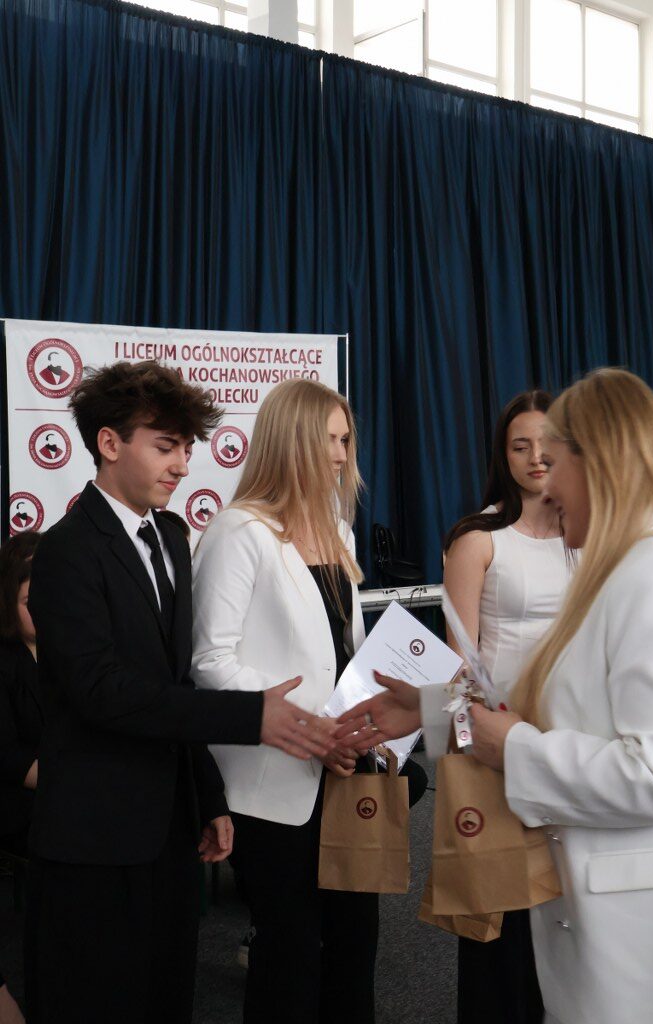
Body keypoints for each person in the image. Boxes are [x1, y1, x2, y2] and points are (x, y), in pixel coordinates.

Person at [337, 368, 653, 1024]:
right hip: (596, 893)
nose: (546, 483)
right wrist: (433, 711)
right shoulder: (626, 564)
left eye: (557, 460)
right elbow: (562, 702)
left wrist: (516, 748)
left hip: (637, 920)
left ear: (598, 461)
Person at [24, 361, 335, 1024]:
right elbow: (102, 691)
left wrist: (209, 799)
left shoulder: (171, 535)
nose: (183, 466)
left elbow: (176, 681)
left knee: (167, 996)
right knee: (95, 1002)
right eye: (166, 446)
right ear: (110, 443)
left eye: (188, 448)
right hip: (95, 834)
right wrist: (250, 714)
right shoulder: (66, 550)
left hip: (171, 829)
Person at [192, 379, 403, 1024]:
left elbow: (343, 652)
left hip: (345, 766)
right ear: (293, 442)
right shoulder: (239, 531)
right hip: (271, 780)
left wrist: (371, 723)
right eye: (331, 439)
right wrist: (308, 728)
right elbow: (209, 660)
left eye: (346, 439)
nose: (342, 454)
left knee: (354, 943)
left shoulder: (337, 528)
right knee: (288, 952)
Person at [442, 390, 572, 1024]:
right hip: (497, 745)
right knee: (502, 918)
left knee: (568, 912)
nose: (535, 456)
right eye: (520, 446)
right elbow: (457, 665)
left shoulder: (591, 533)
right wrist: (474, 740)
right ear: (503, 455)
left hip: (570, 742)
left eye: (547, 443)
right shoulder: (479, 538)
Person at [0, 533, 43, 859]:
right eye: (30, 602)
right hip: (20, 807)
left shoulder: (75, 654)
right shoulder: (4, 662)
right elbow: (7, 756)